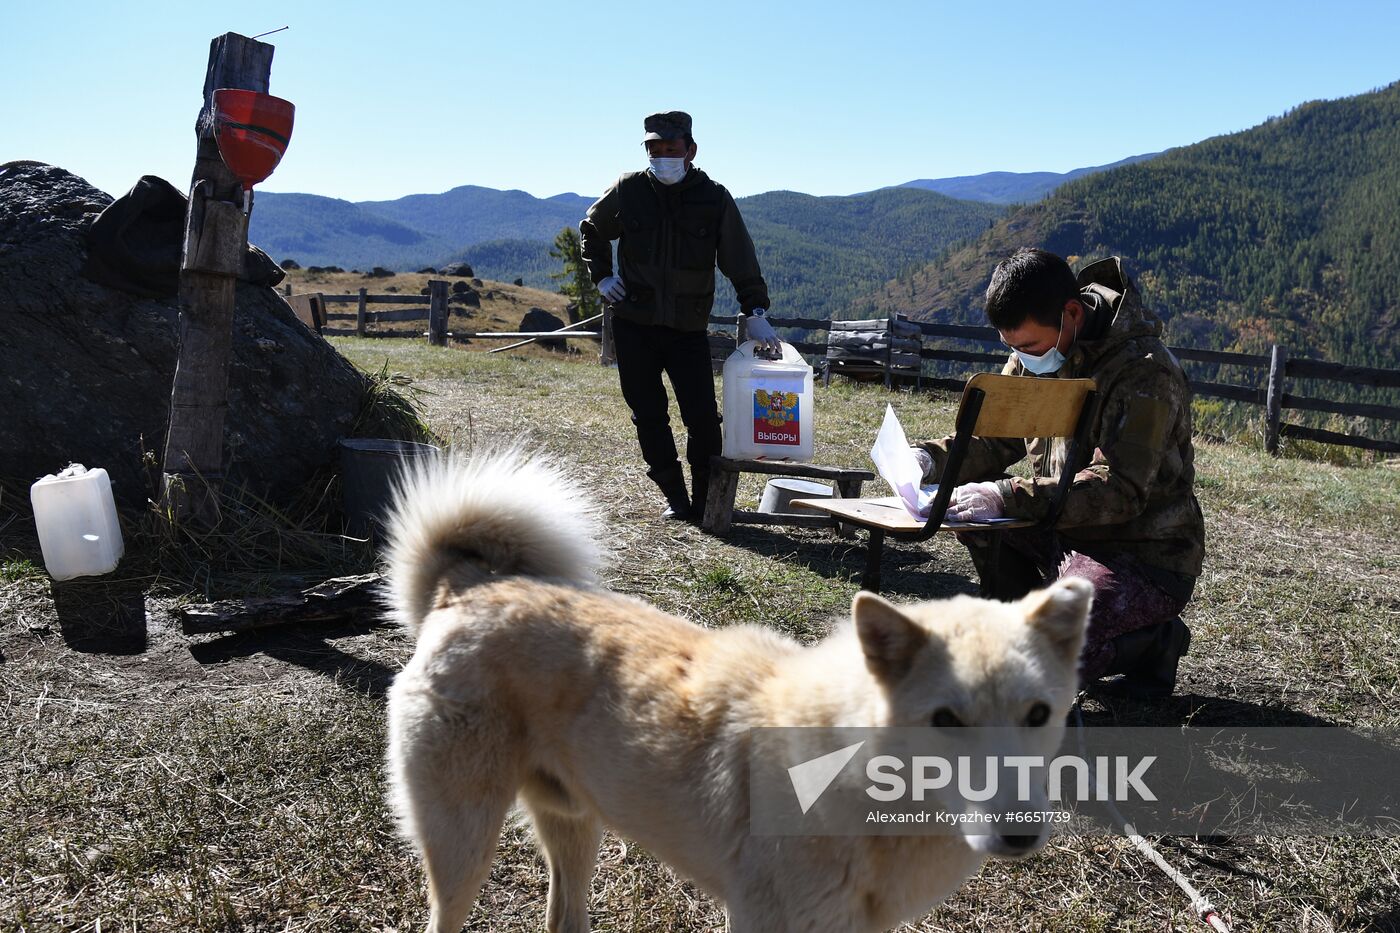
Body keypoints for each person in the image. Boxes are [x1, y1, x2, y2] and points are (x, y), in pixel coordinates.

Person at [913, 247, 1205, 697]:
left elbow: (1120, 489)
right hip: (1062, 530)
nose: (1021, 359)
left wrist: (1007, 496)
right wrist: (931, 460)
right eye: (1012, 348)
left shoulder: (1144, 374)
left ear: (1071, 313)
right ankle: (1019, 626)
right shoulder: (1037, 348)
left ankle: (1155, 643)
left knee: (1051, 656)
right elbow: (997, 438)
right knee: (973, 520)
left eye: (1028, 347)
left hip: (1142, 554)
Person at [580, 111, 781, 522]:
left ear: (690, 150)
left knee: (703, 418)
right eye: (654, 149)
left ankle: (706, 499)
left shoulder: (713, 197)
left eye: (670, 149)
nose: (662, 157)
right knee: (648, 414)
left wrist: (755, 309)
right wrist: (601, 277)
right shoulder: (629, 189)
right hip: (634, 324)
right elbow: (592, 229)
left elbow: (739, 258)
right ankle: (674, 496)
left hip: (687, 329)